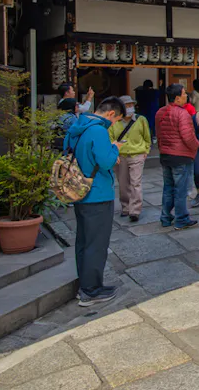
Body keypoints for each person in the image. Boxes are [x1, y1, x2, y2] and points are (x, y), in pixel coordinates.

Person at [64, 96, 125, 306]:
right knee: (97, 243)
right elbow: (106, 161)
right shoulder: (98, 130)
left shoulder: (78, 125)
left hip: (79, 190)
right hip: (97, 192)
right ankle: (91, 291)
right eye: (116, 120)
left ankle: (86, 285)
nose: (113, 124)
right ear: (111, 113)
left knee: (84, 241)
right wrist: (115, 148)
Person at [155, 84, 199, 230]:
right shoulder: (182, 113)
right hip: (180, 155)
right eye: (184, 93)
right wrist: (196, 146)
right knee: (180, 189)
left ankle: (165, 217)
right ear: (177, 98)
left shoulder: (160, 112)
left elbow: (159, 134)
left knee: (168, 187)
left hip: (165, 154)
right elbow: (188, 137)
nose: (186, 95)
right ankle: (181, 218)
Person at [109, 95, 151, 222]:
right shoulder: (114, 122)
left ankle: (135, 210)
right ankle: (125, 207)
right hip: (120, 156)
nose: (130, 108)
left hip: (137, 154)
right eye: (127, 106)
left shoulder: (141, 119)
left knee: (135, 183)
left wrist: (146, 150)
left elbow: (147, 136)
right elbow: (110, 139)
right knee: (123, 184)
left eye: (131, 105)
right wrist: (113, 153)